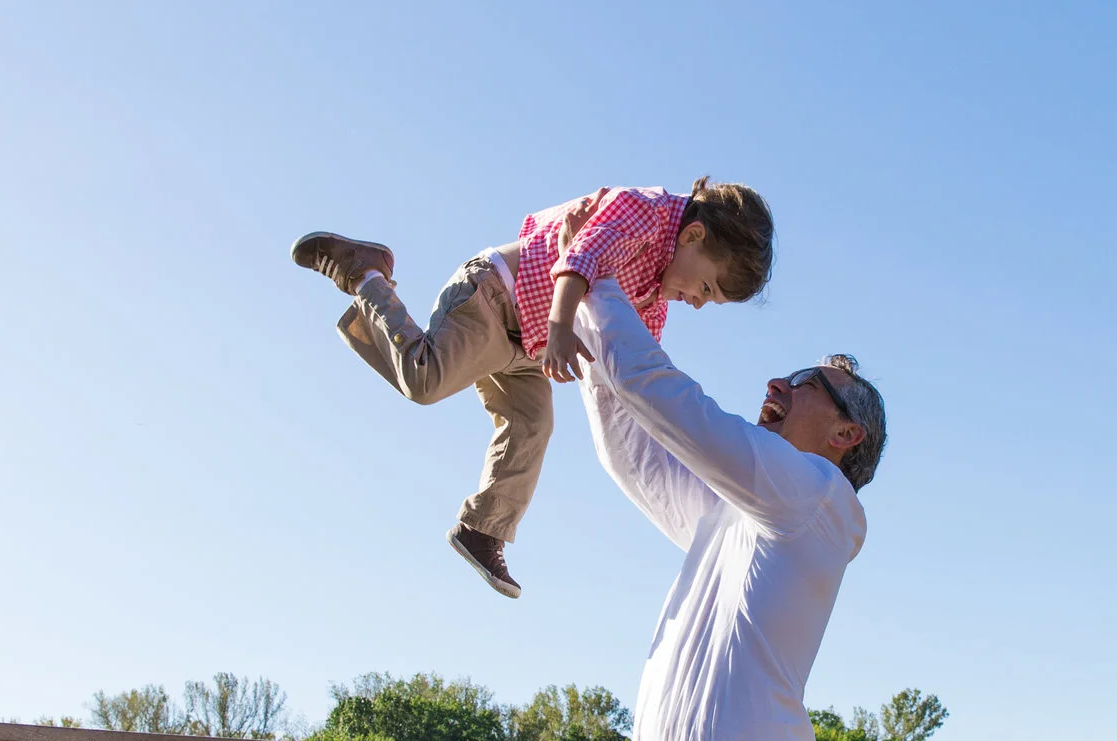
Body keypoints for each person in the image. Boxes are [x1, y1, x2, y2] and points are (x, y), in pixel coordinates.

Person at [570, 269, 887, 741]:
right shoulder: (740, 515)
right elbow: (637, 453)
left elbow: (673, 404)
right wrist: (590, 351)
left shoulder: (818, 494)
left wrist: (594, 279)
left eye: (805, 383)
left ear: (845, 431)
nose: (776, 384)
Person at [290, 179, 774, 598]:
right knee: (425, 379)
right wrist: (561, 328)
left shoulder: (654, 297)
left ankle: (482, 529)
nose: (698, 303)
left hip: (524, 350)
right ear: (693, 236)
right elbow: (580, 254)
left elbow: (630, 363)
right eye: (707, 288)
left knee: (532, 425)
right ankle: (365, 274)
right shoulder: (646, 211)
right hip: (493, 296)